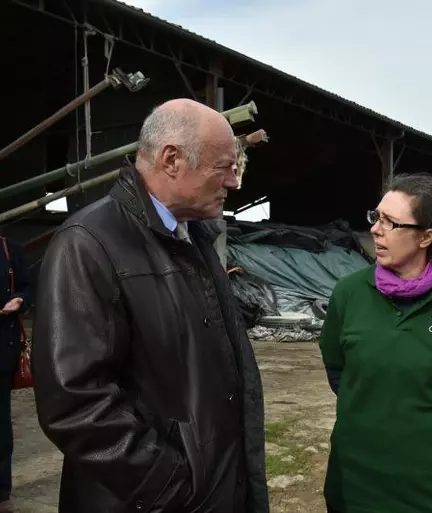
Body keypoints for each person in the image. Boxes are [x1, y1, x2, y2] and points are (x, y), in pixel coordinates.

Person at [32, 99, 268, 513]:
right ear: (172, 159)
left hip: (213, 487)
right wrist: (168, 486)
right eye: (224, 167)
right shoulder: (89, 244)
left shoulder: (192, 237)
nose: (234, 182)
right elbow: (75, 403)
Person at [319, 173, 432, 513]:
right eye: (376, 217)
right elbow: (338, 372)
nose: (376, 229)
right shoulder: (348, 294)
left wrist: (429, 432)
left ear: (426, 237)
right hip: (356, 483)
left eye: (390, 222)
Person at [0, 237, 31, 513]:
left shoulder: (10, 249)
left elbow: (28, 287)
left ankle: (1, 492)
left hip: (1, 350)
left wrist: (19, 299)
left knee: (0, 423)